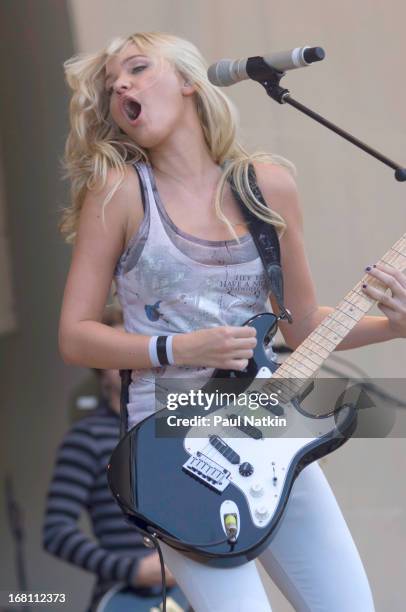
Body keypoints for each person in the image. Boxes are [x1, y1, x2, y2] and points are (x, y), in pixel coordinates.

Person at [57, 32, 406, 612]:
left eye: (139, 69)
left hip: (267, 425)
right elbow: (75, 335)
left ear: (191, 82)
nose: (121, 85)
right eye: (112, 83)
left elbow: (299, 328)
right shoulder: (117, 193)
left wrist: (394, 327)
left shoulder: (266, 185)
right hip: (172, 445)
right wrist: (182, 347)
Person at [43, 305, 183, 611]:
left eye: (137, 347)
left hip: (189, 591)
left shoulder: (176, 426)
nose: (129, 358)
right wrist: (132, 570)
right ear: (97, 364)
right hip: (124, 598)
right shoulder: (86, 438)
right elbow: (56, 531)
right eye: (117, 349)